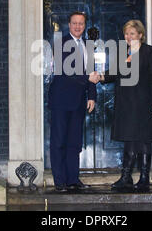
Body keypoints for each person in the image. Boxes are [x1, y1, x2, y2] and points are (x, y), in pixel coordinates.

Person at [99, 19, 152, 192]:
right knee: (129, 138)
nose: (128, 36)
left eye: (132, 33)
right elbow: (115, 72)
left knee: (144, 138)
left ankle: (144, 178)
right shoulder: (123, 51)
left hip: (145, 102)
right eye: (126, 33)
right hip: (127, 103)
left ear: (140, 34)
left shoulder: (149, 52)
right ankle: (126, 178)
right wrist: (100, 76)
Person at [48, 11, 99, 192]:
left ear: (84, 26)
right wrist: (88, 80)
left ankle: (73, 179)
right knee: (59, 141)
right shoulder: (60, 44)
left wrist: (92, 96)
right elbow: (67, 72)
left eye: (81, 24)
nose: (78, 26)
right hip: (61, 101)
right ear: (69, 25)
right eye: (74, 23)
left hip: (78, 102)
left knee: (74, 143)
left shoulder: (88, 45)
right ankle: (60, 181)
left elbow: (91, 72)